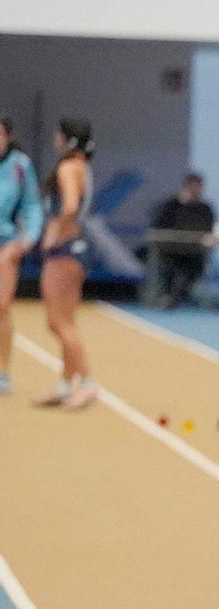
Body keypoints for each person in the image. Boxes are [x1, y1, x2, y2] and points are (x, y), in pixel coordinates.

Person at [37, 117, 96, 410]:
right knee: (64, 322)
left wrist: (54, 233)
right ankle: (65, 383)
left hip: (65, 250)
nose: (54, 137)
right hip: (76, 248)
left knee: (58, 322)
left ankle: (86, 383)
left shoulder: (67, 168)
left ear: (67, 138)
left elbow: (71, 205)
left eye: (58, 133)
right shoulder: (81, 167)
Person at [0, 114, 43, 397]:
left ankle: (2, 370)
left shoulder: (19, 166)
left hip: (5, 244)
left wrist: (25, 240)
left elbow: (31, 206)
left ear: (8, 137)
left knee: (1, 307)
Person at [149, 171, 216, 308]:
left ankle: (180, 294)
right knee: (166, 267)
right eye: (194, 187)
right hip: (170, 251)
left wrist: (211, 239)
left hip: (193, 252)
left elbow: (210, 231)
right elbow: (158, 228)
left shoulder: (205, 209)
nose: (197, 191)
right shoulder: (170, 206)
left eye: (199, 187)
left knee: (195, 268)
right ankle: (166, 296)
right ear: (186, 186)